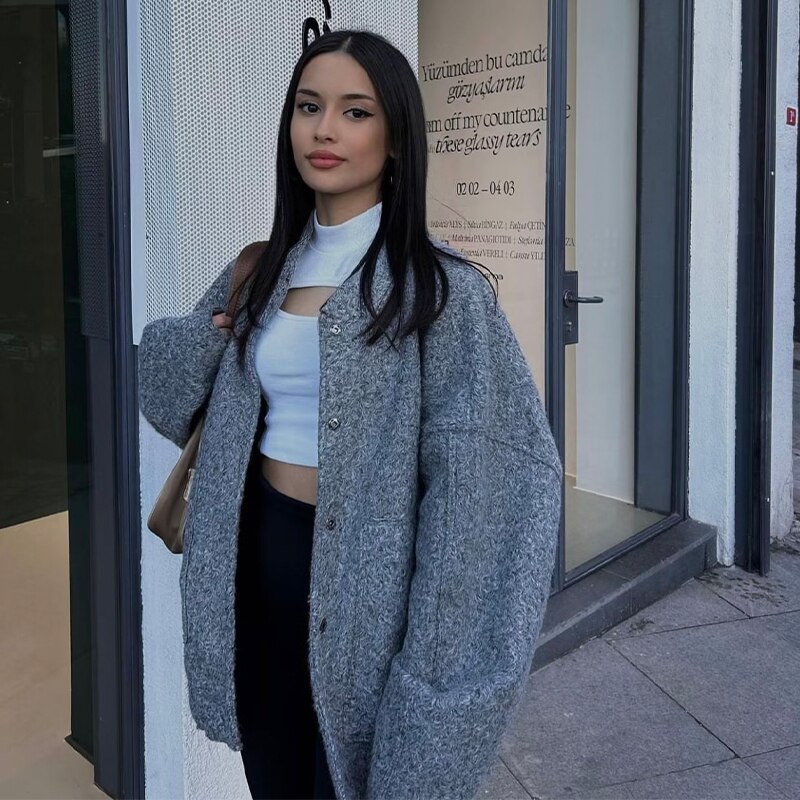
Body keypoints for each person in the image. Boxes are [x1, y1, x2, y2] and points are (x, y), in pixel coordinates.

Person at [137, 28, 562, 800]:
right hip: (251, 589)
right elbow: (166, 398)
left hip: (369, 620)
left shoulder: (440, 290)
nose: (324, 129)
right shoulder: (263, 266)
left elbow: (492, 493)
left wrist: (437, 678)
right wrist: (211, 337)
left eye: (355, 111)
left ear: (396, 139)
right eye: (309, 107)